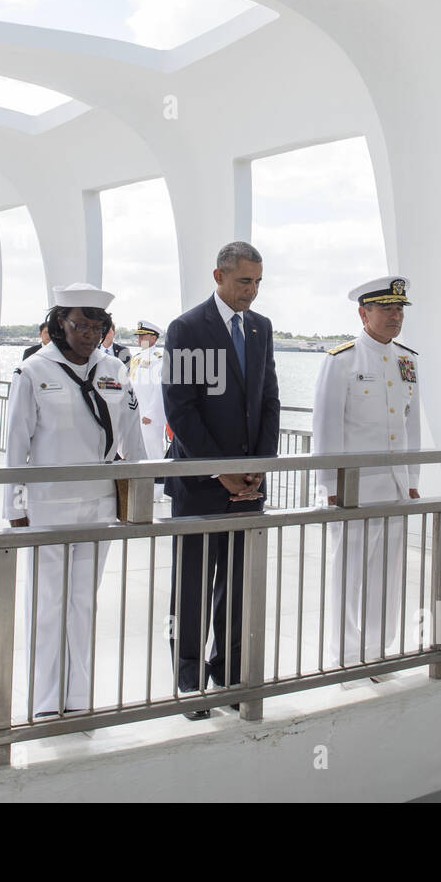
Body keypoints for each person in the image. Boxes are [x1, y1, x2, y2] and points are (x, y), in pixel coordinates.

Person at [4, 283, 146, 717]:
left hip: (97, 506)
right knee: (49, 605)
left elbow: (134, 439)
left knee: (83, 603)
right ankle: (46, 701)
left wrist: (140, 500)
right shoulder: (34, 371)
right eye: (80, 324)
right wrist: (15, 507)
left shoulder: (114, 370)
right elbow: (14, 447)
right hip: (47, 508)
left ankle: (78, 699)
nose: (89, 333)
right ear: (58, 323)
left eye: (97, 325)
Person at [162, 241, 280, 719]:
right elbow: (182, 409)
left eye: (256, 282)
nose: (250, 292)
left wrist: (259, 467)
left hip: (248, 485)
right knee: (191, 587)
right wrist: (221, 470)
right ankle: (188, 681)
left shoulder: (261, 328)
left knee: (236, 587)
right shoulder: (188, 329)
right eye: (242, 282)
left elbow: (269, 399)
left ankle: (227, 674)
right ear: (218, 276)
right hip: (200, 483)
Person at [312, 276, 421, 676]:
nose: (395, 316)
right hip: (354, 489)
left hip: (393, 486)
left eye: (400, 309)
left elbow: (412, 427)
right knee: (350, 572)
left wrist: (411, 478)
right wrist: (328, 485)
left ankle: (378, 650)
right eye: (387, 309)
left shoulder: (407, 360)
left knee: (388, 575)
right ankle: (345, 653)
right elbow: (325, 428)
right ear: (364, 313)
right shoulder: (341, 360)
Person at [128, 320, 169, 500]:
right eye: (138, 336)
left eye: (143, 336)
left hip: (149, 415)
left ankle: (159, 491)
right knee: (140, 451)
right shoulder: (137, 357)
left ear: (153, 338)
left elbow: (160, 389)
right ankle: (144, 486)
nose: (139, 339)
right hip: (136, 411)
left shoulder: (159, 358)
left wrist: (150, 414)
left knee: (154, 452)